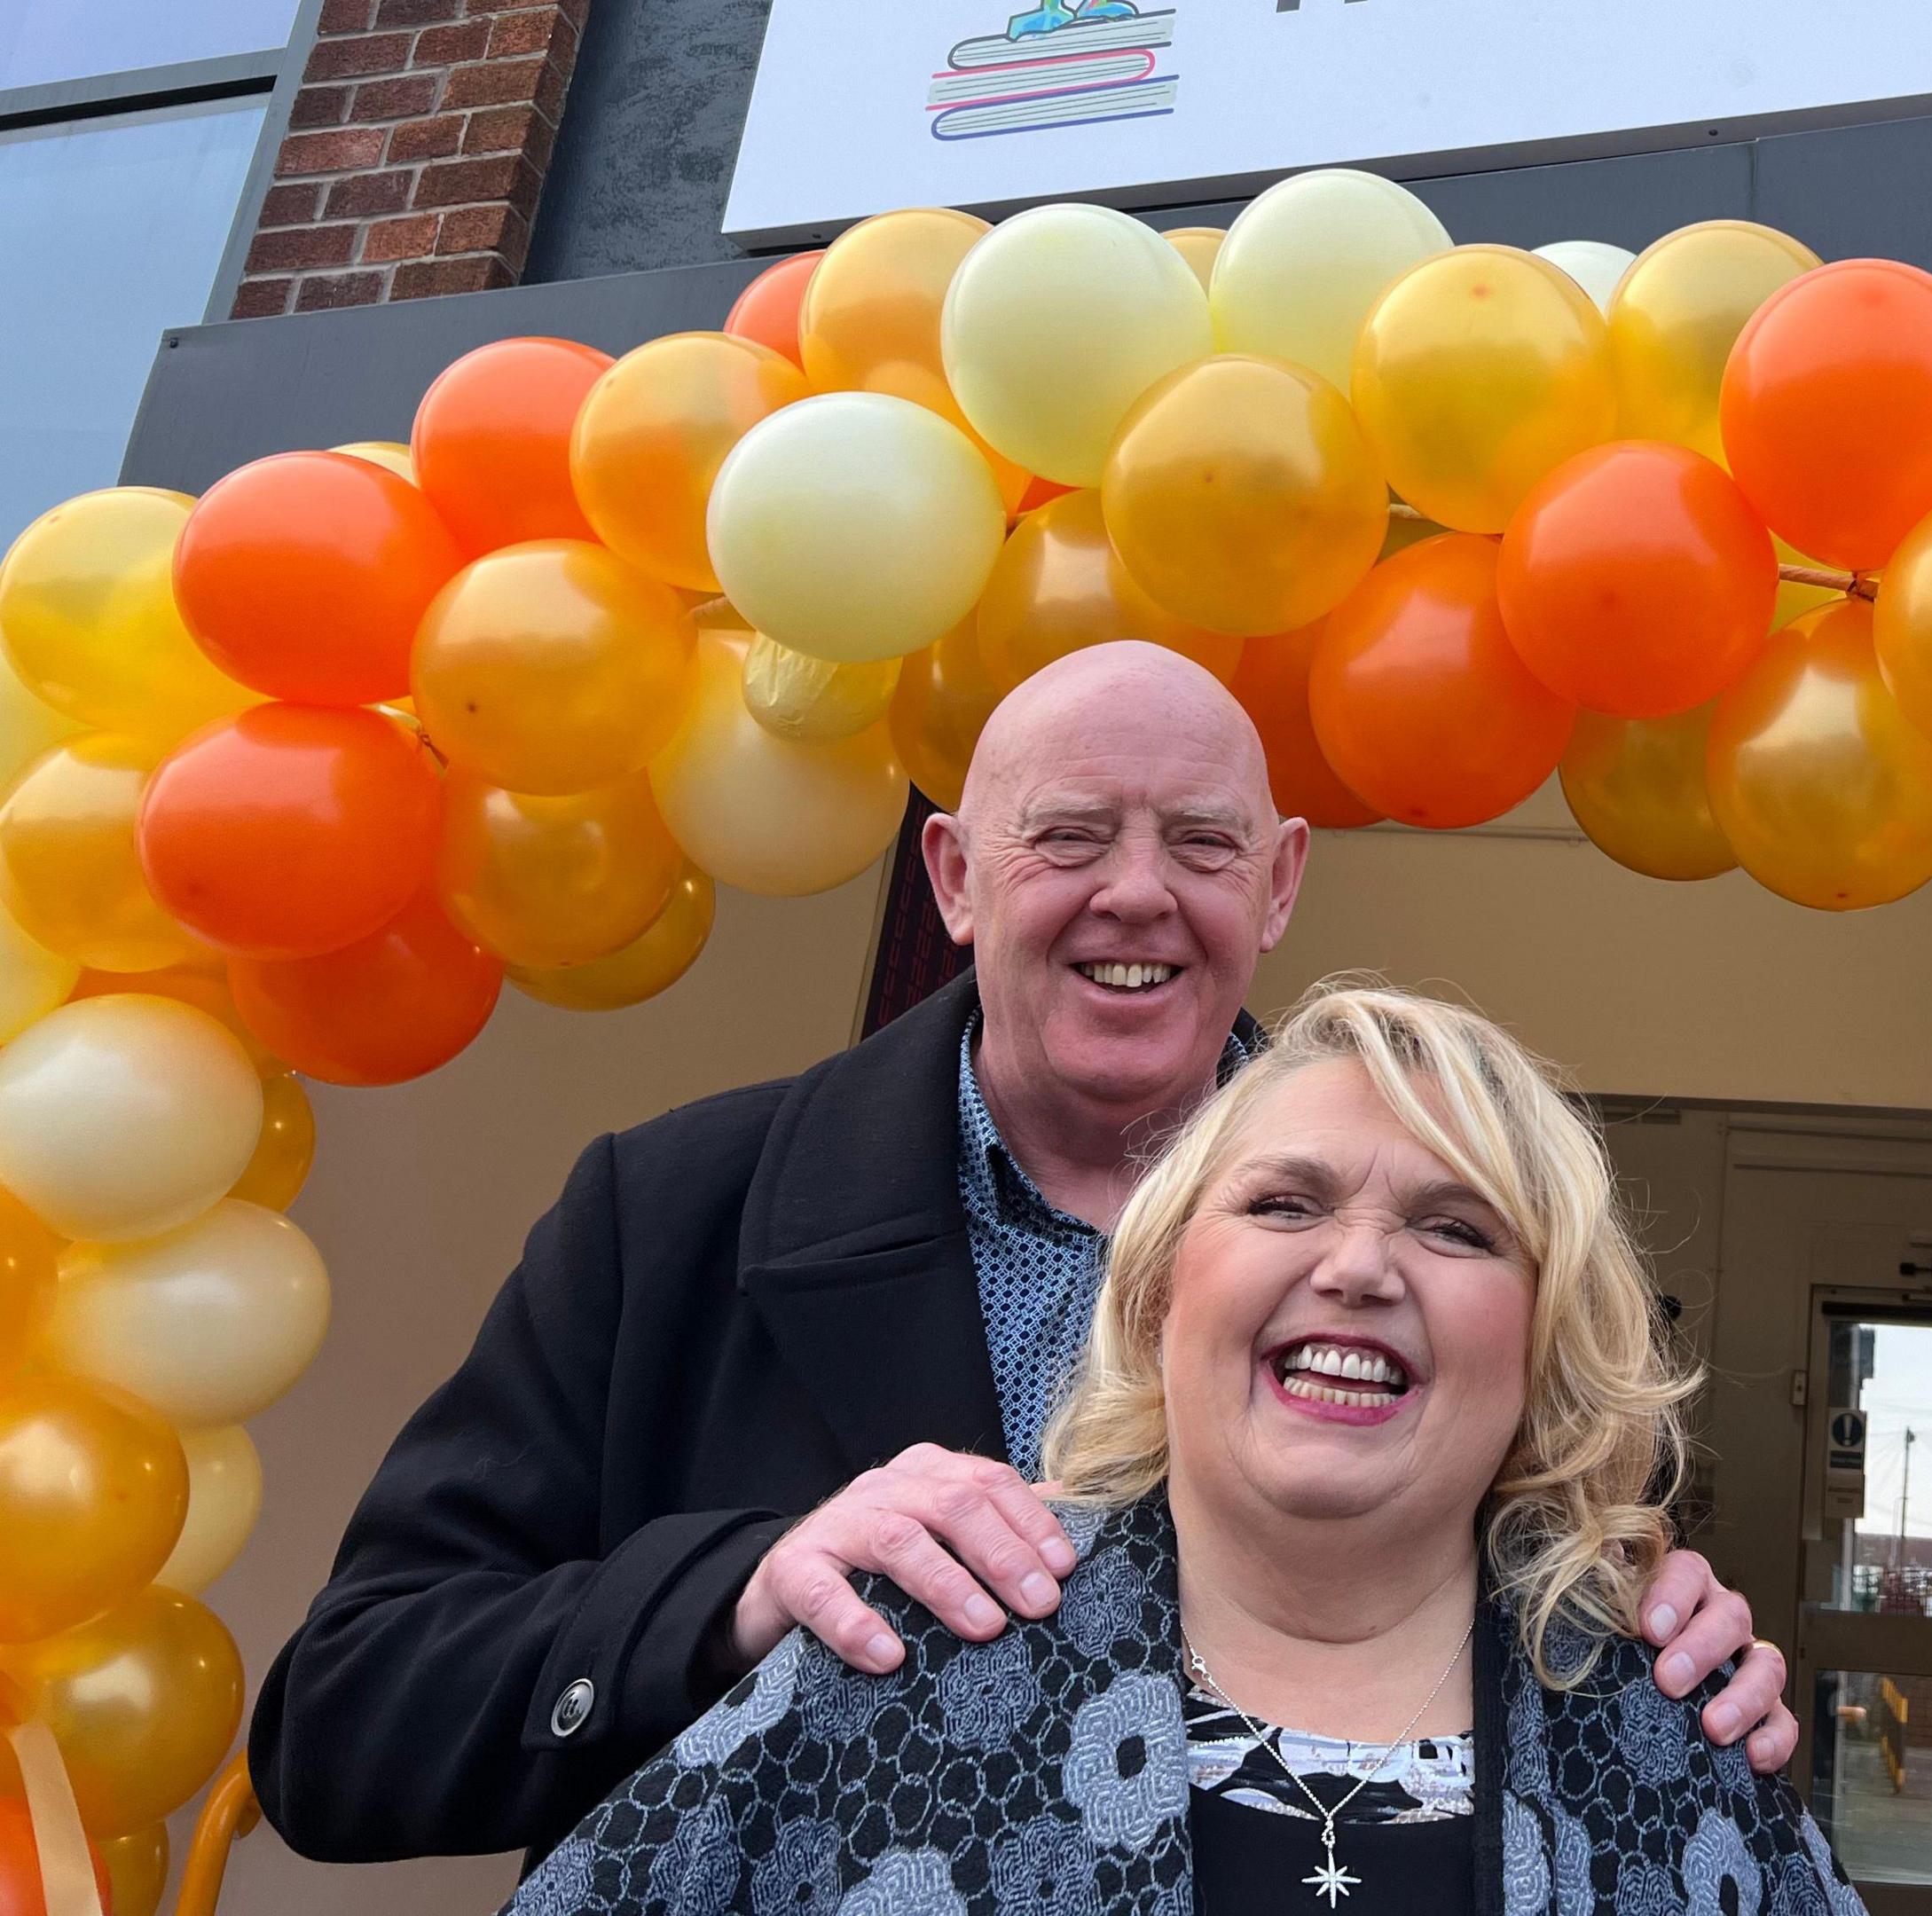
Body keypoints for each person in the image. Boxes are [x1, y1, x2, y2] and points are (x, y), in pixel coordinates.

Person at [252, 644, 1794, 1863]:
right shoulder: (670, 1209)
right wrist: (738, 1598)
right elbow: (339, 1728)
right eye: (1066, 837)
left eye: (1202, 841)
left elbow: (1544, 1591)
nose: (1137, 892)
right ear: (954, 880)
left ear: (1278, 884)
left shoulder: (1450, 1282)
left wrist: (1655, 1635)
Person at [503, 985, 1861, 1916]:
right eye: (1285, 1202)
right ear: (1161, 1299)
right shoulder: (889, 1667)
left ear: (1543, 1347)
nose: (1359, 1266)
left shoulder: (1680, 1735)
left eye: (1458, 1230)